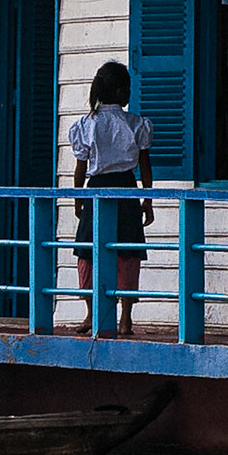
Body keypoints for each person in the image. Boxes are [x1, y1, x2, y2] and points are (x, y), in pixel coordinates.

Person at [70, 62, 153, 336]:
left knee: (88, 252)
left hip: (96, 189)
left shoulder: (86, 125)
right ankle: (125, 318)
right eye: (127, 87)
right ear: (119, 91)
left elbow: (80, 167)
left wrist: (78, 197)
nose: (130, 92)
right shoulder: (136, 124)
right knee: (127, 253)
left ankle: (92, 314)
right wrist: (147, 200)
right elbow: (145, 166)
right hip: (127, 189)